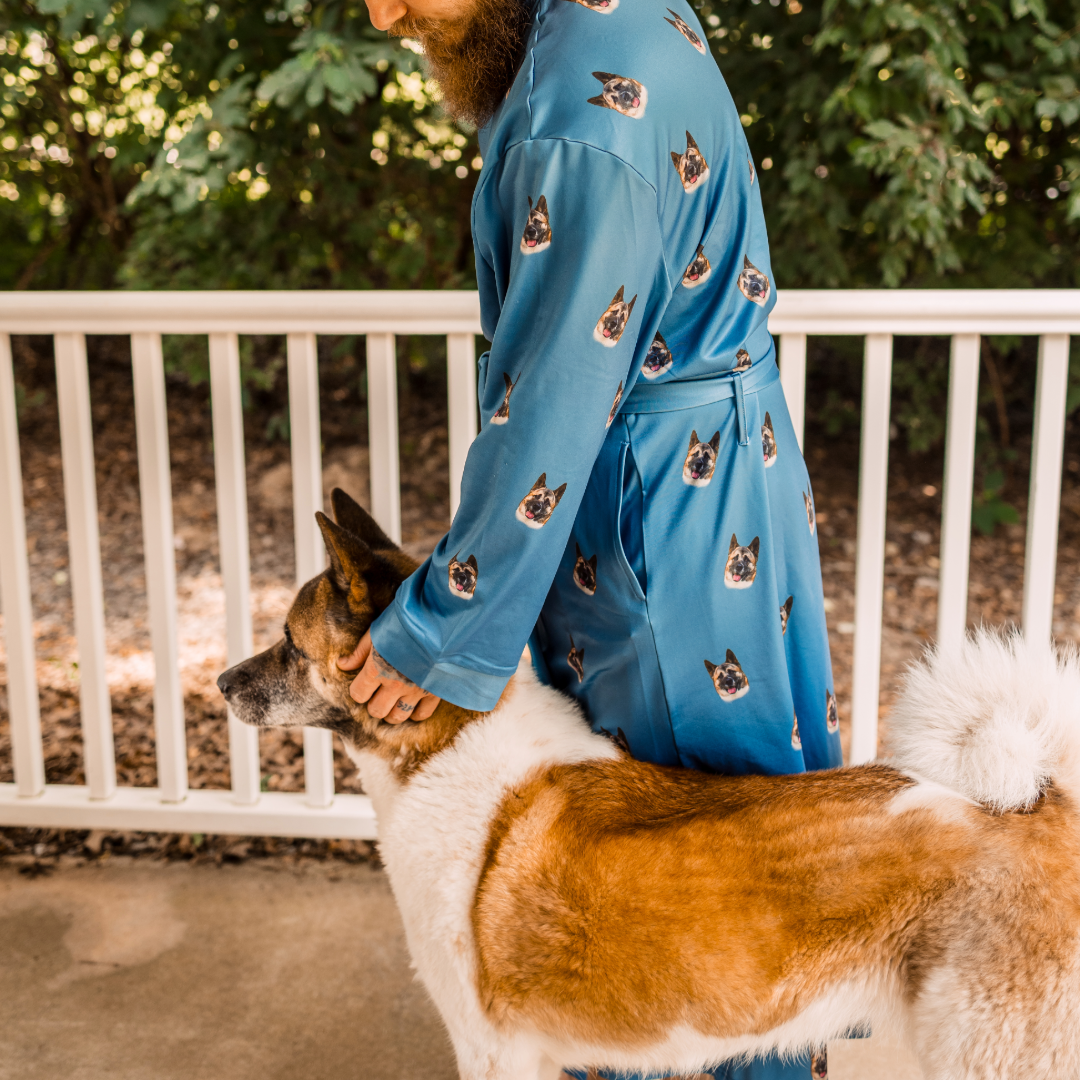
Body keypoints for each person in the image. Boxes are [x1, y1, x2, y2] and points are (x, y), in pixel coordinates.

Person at [339, 0, 843, 1075]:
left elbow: (555, 407)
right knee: (765, 858)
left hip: (660, 534)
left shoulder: (579, 122)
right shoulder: (617, 15)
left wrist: (438, 630)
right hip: (730, 483)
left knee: (684, 898)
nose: (386, 16)